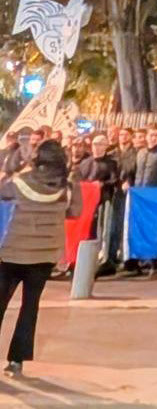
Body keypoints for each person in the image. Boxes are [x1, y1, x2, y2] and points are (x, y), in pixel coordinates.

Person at [0, 140, 83, 377]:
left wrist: (19, 169)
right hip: (45, 254)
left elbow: (2, 192)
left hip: (14, 251)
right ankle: (16, 361)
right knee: (30, 306)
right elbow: (75, 212)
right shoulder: (68, 185)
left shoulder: (21, 181)